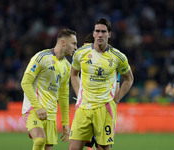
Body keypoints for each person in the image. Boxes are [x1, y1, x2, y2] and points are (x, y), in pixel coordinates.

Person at [68, 18, 134, 150]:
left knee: (103, 148)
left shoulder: (118, 57)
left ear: (109, 34)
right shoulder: (81, 53)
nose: (100, 34)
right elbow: (74, 74)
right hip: (84, 108)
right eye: (97, 31)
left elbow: (129, 78)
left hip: (105, 109)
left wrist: (117, 98)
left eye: (103, 31)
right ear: (93, 33)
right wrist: (79, 95)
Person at [21, 28, 77, 150]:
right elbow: (25, 83)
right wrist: (38, 107)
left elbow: (63, 96)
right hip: (34, 109)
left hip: (51, 115)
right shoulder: (41, 57)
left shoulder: (67, 67)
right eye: (73, 43)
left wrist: (65, 123)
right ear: (63, 42)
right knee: (40, 139)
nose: (75, 47)